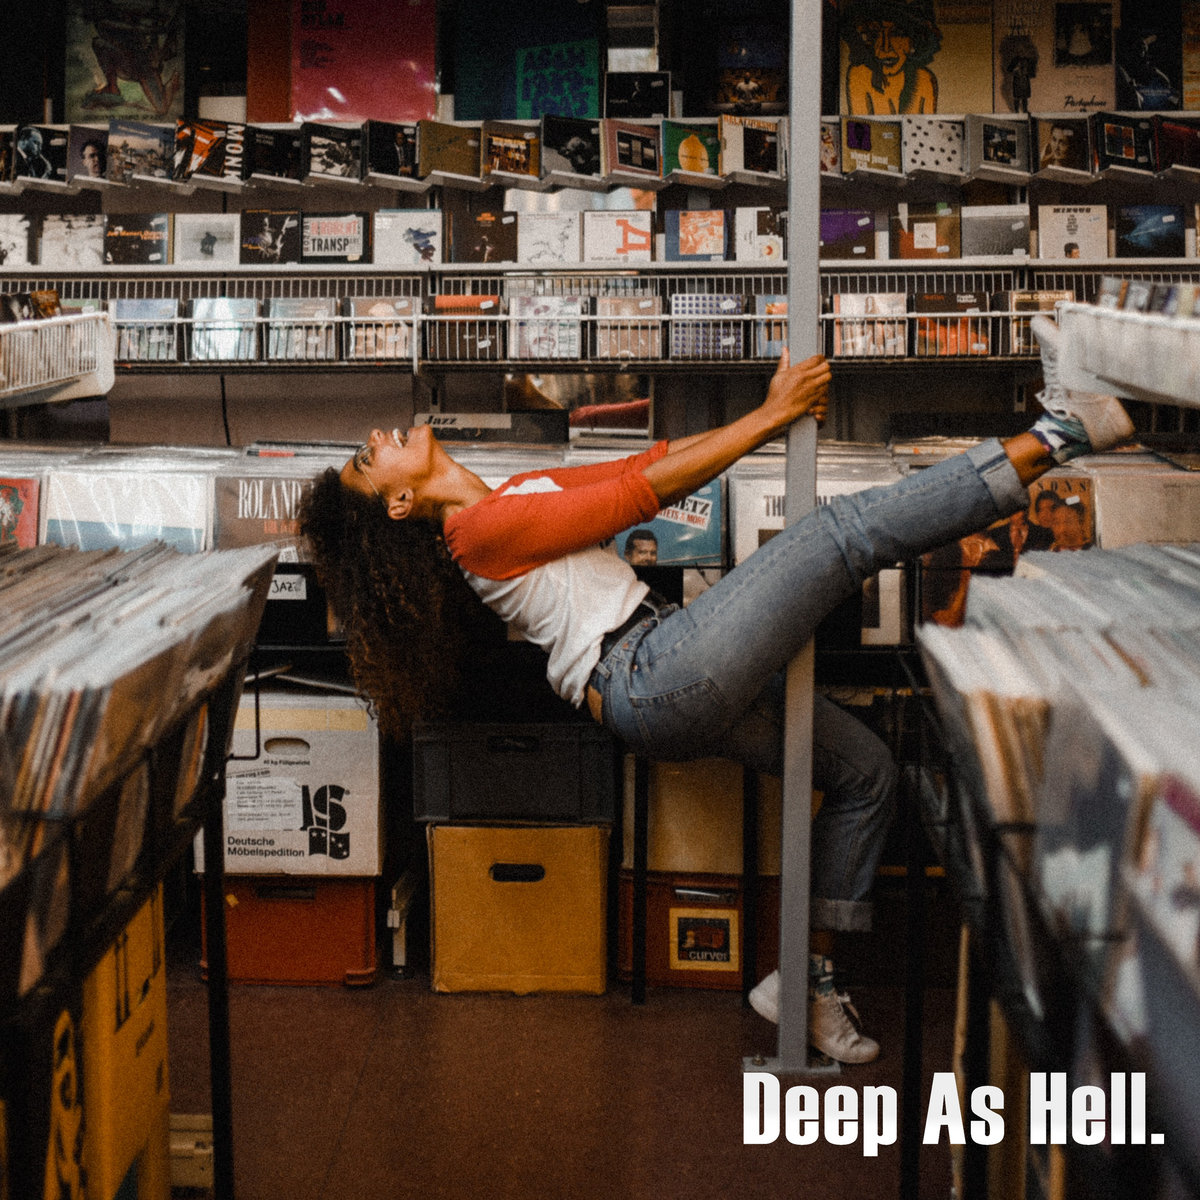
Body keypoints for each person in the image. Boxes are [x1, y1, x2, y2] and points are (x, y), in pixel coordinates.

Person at [300, 314, 1134, 1063]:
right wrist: (771, 416)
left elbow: (644, 464)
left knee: (867, 772)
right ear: (400, 502)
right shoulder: (476, 529)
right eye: (371, 459)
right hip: (651, 673)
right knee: (842, 533)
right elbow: (643, 496)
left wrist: (761, 418)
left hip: (660, 666)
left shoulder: (507, 497)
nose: (377, 435)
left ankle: (806, 984)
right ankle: (1058, 436)